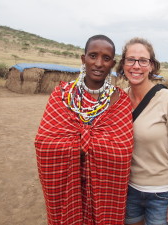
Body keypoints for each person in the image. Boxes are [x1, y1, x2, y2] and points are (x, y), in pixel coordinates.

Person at [35, 35, 134, 225]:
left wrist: (78, 143)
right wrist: (92, 144)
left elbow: (122, 151)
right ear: (83, 59)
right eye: (93, 56)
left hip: (104, 192)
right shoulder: (62, 94)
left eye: (106, 58)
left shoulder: (120, 100)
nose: (98, 63)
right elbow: (44, 143)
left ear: (112, 63)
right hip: (67, 187)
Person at [116, 37, 168, 225]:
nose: (136, 66)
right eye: (130, 59)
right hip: (128, 191)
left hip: (161, 195)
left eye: (143, 61)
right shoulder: (119, 99)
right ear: (123, 64)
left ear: (152, 66)